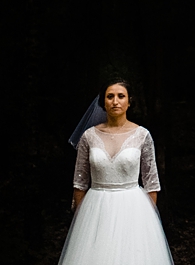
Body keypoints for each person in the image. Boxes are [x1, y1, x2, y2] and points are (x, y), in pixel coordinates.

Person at [58, 78, 174, 265]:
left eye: (121, 96)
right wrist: (82, 221)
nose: (115, 101)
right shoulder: (89, 136)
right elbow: (79, 181)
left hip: (133, 208)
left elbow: (151, 182)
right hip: (95, 209)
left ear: (129, 102)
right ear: (103, 102)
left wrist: (146, 221)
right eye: (110, 96)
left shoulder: (142, 135)